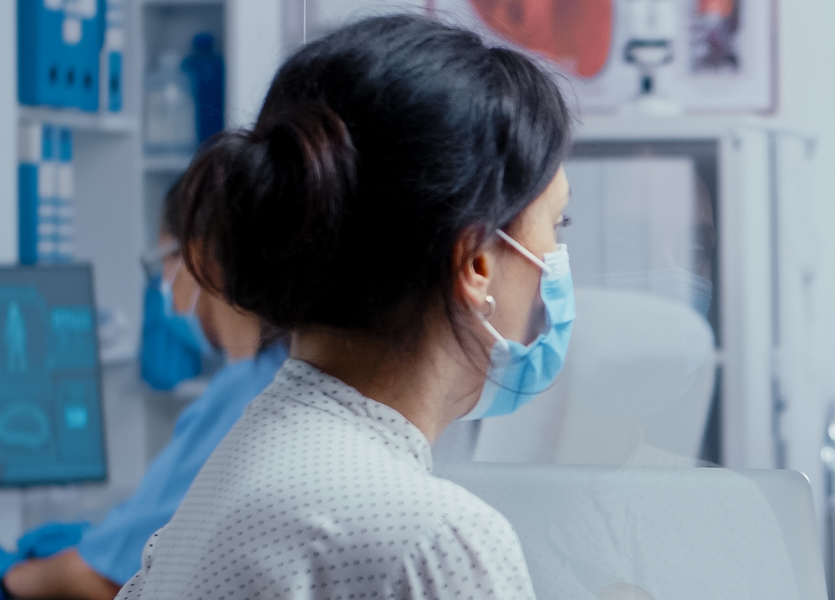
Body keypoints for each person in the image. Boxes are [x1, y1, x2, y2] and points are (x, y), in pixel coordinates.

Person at [114, 14, 573, 599]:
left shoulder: (240, 467)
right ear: (477, 263)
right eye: (557, 224)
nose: (557, 257)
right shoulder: (434, 540)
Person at [0, 184, 288, 600]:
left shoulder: (239, 399)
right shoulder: (282, 374)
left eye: (165, 262)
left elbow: (103, 581)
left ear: (200, 258)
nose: (165, 287)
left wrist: (12, 576)